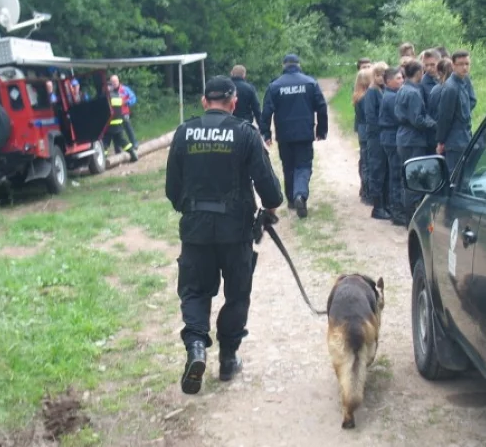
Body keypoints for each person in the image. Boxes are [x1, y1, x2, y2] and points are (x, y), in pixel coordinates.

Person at [165, 75, 285, 395]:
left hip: (196, 229)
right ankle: (229, 358)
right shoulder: (245, 134)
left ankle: (196, 348)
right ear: (233, 103)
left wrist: (190, 209)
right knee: (237, 295)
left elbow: (172, 189)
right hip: (235, 231)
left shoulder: (183, 133)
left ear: (204, 102)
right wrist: (270, 208)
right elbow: (270, 189)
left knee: (194, 291)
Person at [259, 54, 328, 219]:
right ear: (299, 65)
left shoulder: (275, 86)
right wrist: (321, 130)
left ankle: (291, 199)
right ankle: (300, 195)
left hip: (284, 134)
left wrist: (266, 133)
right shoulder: (310, 83)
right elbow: (322, 107)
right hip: (304, 133)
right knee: (303, 166)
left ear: (283, 66)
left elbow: (266, 111)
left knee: (288, 166)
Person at [394, 60, 436, 221]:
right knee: (414, 179)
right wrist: (434, 124)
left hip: (402, 138)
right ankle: (411, 216)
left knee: (407, 176)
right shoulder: (414, 93)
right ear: (418, 73)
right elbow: (417, 119)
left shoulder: (402, 89)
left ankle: (407, 213)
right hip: (413, 140)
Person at [436, 50, 474, 172]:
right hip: (454, 141)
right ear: (453, 65)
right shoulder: (450, 87)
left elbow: (472, 101)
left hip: (465, 137)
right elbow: (444, 117)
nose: (464, 67)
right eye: (460, 64)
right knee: (454, 175)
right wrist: (441, 141)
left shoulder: (465, 81)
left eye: (467, 64)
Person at [379, 67, 406, 226]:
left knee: (395, 173)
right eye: (397, 78)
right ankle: (397, 211)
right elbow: (399, 117)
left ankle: (395, 207)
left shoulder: (392, 95)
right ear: (388, 81)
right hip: (391, 138)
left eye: (402, 78)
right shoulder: (391, 97)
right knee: (396, 174)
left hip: (390, 137)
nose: (401, 81)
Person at [363, 62, 390, 220]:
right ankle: (377, 206)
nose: (381, 78)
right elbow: (371, 117)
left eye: (383, 74)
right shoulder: (372, 93)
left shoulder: (384, 90)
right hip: (376, 137)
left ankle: (385, 204)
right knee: (377, 169)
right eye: (378, 75)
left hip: (383, 136)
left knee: (385, 170)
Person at [106, 83, 139, 162]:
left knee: (105, 143)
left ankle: (102, 159)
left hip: (110, 124)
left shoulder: (107, 98)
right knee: (121, 140)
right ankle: (132, 153)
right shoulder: (117, 96)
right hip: (119, 122)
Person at [352, 68, 371, 204]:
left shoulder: (357, 95)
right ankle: (367, 191)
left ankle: (364, 189)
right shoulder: (366, 97)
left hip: (361, 130)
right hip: (366, 131)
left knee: (364, 161)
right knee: (367, 162)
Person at [109, 75, 139, 151]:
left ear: (118, 81)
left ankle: (134, 143)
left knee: (127, 125)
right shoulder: (109, 92)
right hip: (115, 115)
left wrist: (126, 102)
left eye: (115, 81)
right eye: (112, 82)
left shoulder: (125, 89)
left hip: (124, 113)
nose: (114, 83)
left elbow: (133, 98)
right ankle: (118, 149)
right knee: (117, 131)